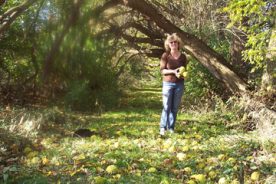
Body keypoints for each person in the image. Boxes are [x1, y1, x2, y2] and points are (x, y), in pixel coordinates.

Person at [159, 33, 188, 136]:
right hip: (168, 84)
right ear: (168, 44)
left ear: (178, 43)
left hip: (179, 84)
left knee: (174, 107)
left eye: (175, 42)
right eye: (171, 42)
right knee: (166, 106)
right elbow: (162, 71)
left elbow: (184, 70)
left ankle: (171, 128)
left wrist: (184, 75)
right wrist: (173, 71)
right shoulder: (165, 55)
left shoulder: (183, 56)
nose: (173, 44)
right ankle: (163, 128)